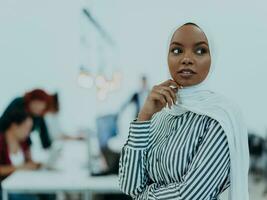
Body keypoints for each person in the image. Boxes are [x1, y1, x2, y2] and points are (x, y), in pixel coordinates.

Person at [119, 22, 249, 199]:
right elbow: (129, 185)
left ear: (213, 58)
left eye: (200, 51)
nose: (186, 59)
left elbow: (190, 196)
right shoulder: (161, 115)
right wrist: (144, 116)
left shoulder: (220, 118)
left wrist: (143, 195)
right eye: (177, 51)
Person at [0, 110, 40, 200]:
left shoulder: (23, 142)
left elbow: (28, 162)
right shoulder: (1, 142)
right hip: (5, 188)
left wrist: (35, 165)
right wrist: (20, 168)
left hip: (21, 184)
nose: (28, 132)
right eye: (26, 128)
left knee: (47, 194)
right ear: (14, 126)